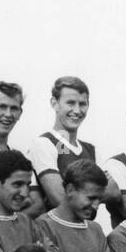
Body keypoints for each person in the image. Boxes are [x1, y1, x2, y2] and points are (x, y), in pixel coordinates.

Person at [32, 157, 111, 252]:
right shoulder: (44, 225)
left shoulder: (96, 229)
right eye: (91, 198)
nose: (96, 206)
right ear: (69, 190)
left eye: (99, 199)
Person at [32, 76, 109, 211]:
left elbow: (114, 192)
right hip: (54, 229)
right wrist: (94, 191)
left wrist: (78, 194)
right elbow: (58, 197)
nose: (77, 110)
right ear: (55, 103)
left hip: (85, 228)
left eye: (82, 104)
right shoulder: (44, 143)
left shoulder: (91, 150)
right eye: (71, 103)